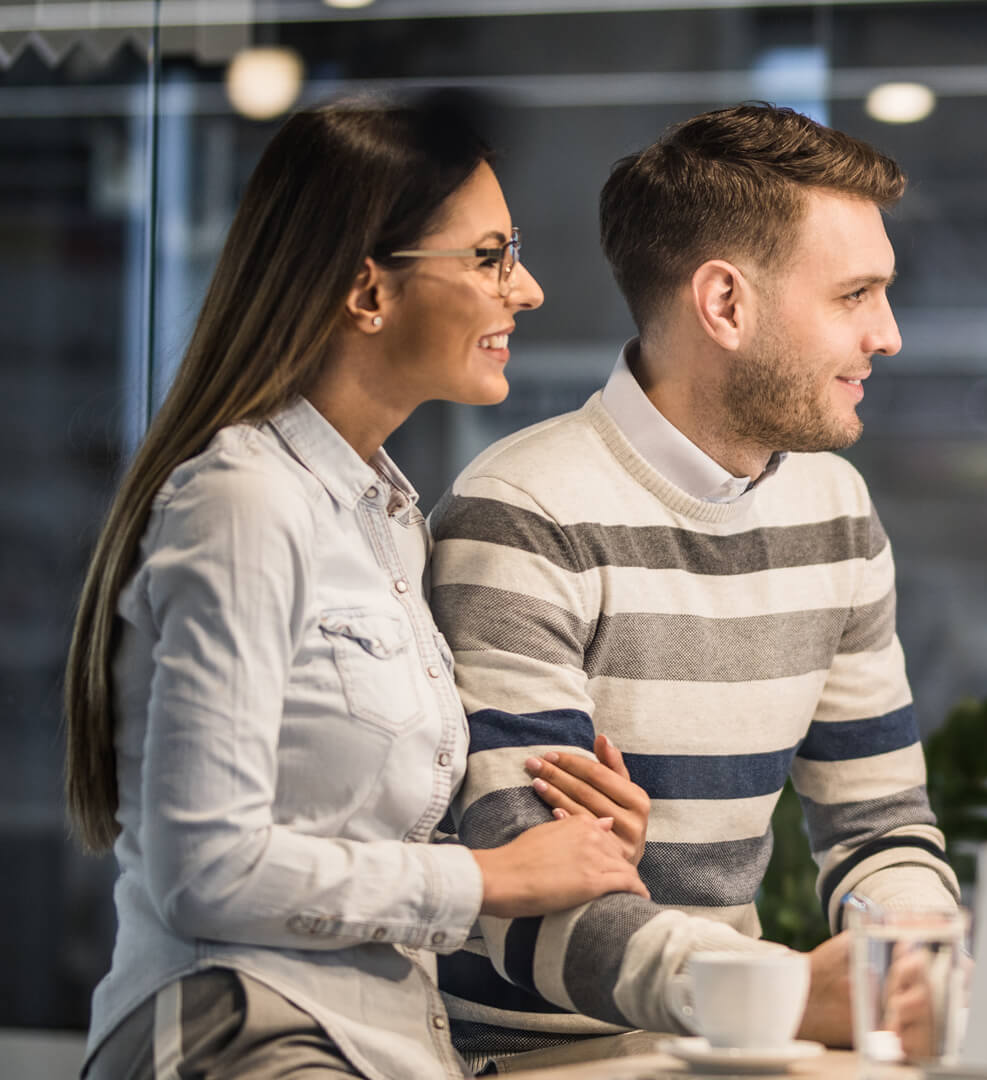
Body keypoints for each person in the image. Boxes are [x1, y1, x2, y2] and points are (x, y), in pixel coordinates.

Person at [64, 95, 649, 1080]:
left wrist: (561, 854)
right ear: (367, 290)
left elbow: (354, 859)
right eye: (491, 256)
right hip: (244, 1039)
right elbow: (209, 874)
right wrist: (491, 877)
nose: (529, 289)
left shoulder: (385, 519)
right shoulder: (243, 504)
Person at [427, 102, 959, 1066]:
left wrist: (913, 956)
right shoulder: (522, 513)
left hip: (736, 1046)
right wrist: (782, 993)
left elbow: (879, 825)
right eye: (855, 295)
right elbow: (525, 899)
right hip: (547, 1059)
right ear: (724, 305)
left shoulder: (834, 509)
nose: (889, 334)